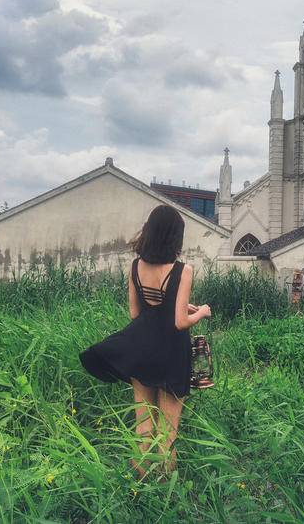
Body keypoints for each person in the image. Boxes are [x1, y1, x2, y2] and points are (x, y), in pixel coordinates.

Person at [79, 204, 212, 476]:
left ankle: (139, 485)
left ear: (150, 232)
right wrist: (200, 313)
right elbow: (178, 322)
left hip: (141, 349)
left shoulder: (136, 266)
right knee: (168, 431)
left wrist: (178, 307)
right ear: (175, 237)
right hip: (172, 353)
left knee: (144, 427)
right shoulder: (183, 270)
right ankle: (163, 492)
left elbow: (136, 312)